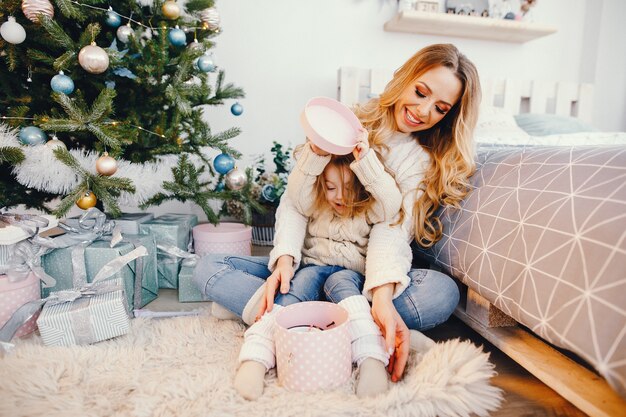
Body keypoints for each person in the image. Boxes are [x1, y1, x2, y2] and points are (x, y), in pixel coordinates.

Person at [193, 42, 481, 398]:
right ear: (404, 79)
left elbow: (391, 227)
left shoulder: (420, 160)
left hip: (359, 277)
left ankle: (295, 317)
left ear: (449, 115)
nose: (423, 111)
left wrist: (380, 297)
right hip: (308, 267)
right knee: (208, 267)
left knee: (442, 292)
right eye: (420, 92)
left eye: (440, 108)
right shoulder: (342, 124)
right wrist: (284, 259)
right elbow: (296, 202)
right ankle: (348, 326)